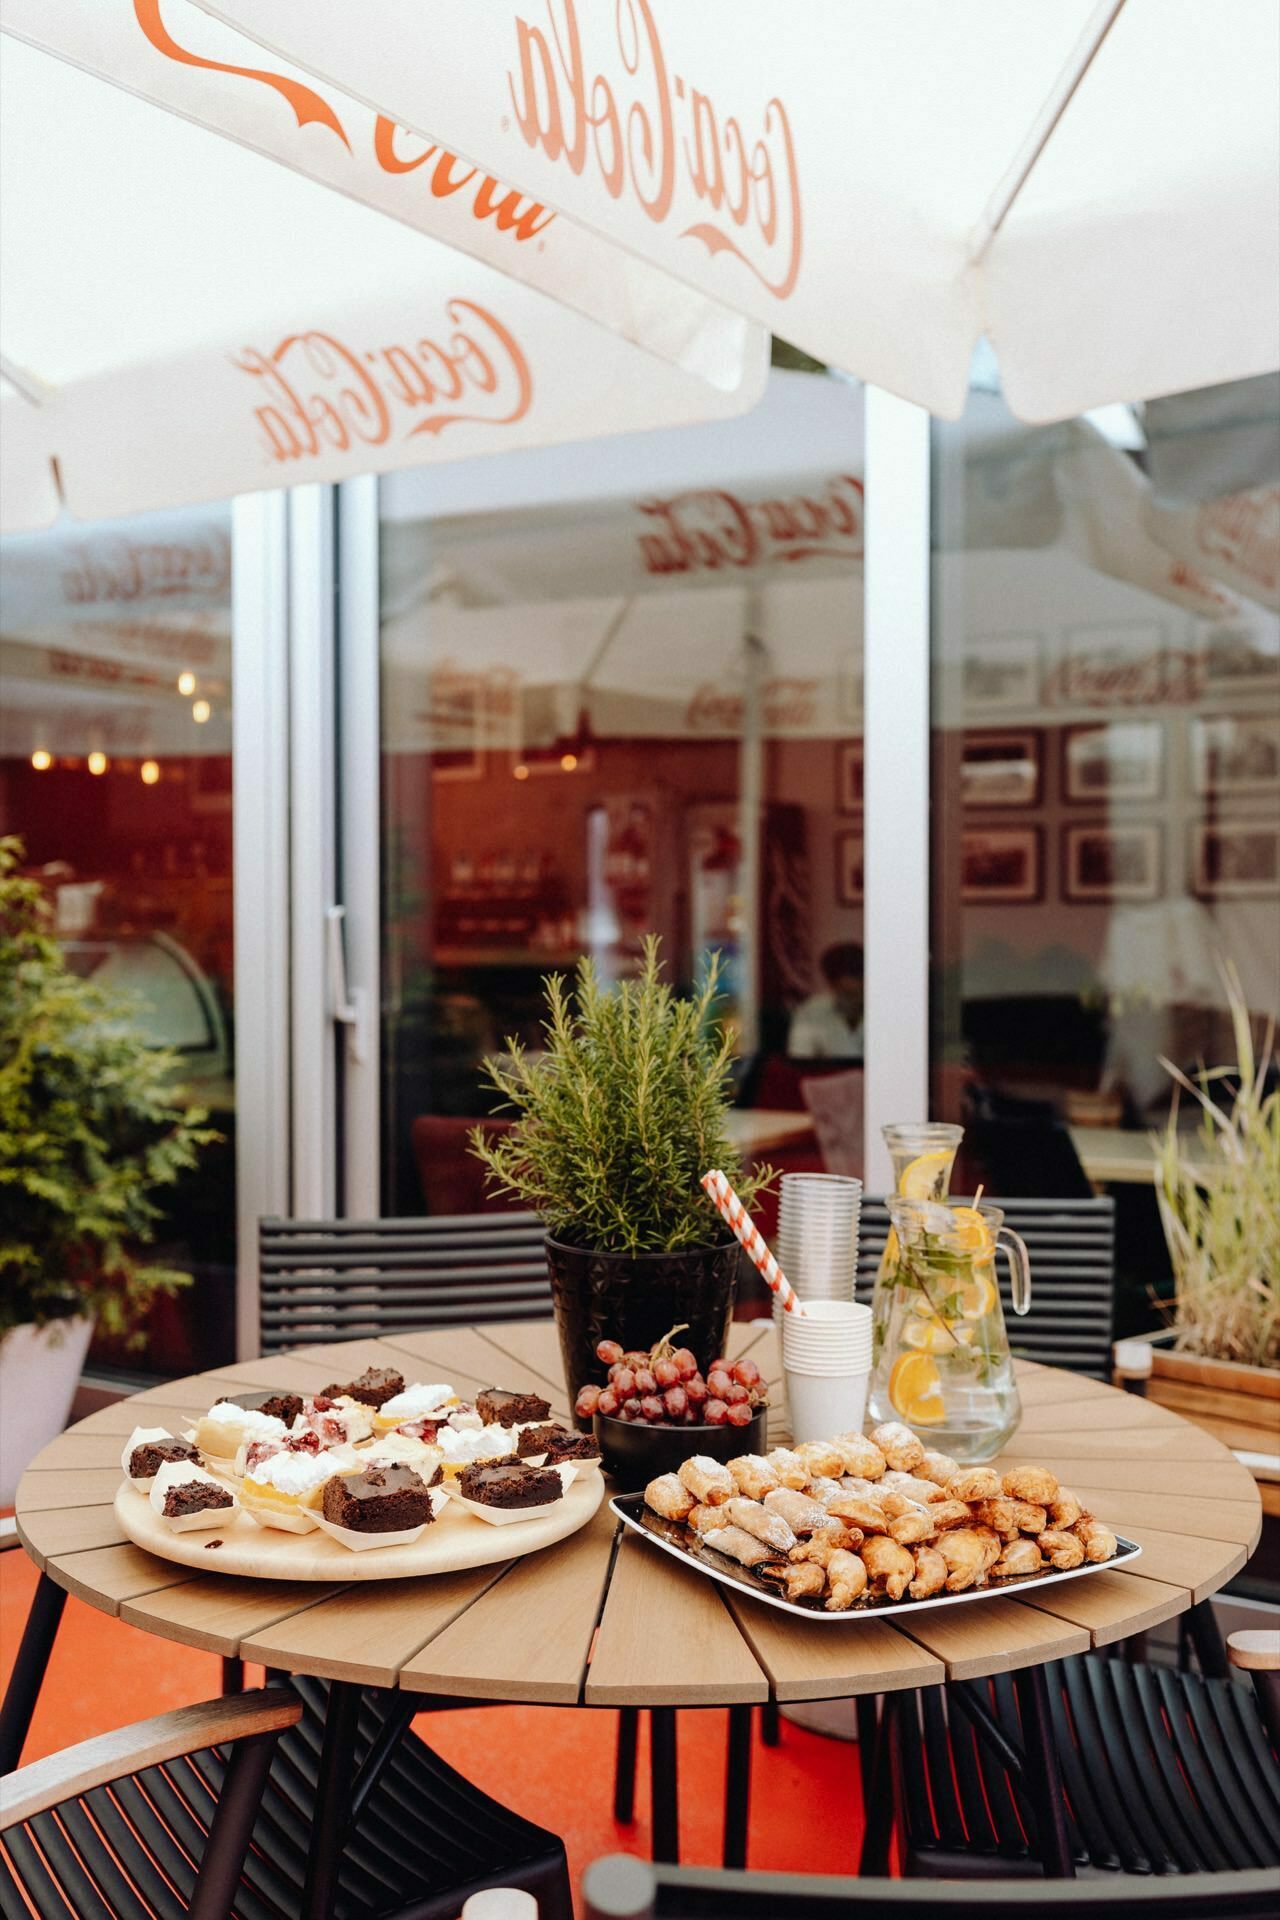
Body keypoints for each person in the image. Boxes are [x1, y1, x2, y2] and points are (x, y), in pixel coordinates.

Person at [788, 943, 865, 1059]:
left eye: (857, 993)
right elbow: (799, 1060)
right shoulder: (810, 1011)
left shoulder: (888, 1012)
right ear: (831, 986)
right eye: (846, 993)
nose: (852, 1000)